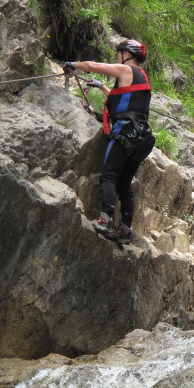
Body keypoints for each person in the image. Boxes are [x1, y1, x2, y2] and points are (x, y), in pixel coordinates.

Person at [63, 39, 155, 245]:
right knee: (124, 184)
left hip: (126, 132)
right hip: (143, 136)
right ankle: (125, 229)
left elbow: (93, 66)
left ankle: (105, 218)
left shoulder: (125, 70)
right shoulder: (142, 77)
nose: (117, 57)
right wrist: (103, 87)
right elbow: (126, 99)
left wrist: (74, 65)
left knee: (109, 177)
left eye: (119, 53)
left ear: (127, 55)